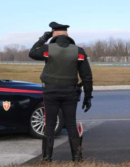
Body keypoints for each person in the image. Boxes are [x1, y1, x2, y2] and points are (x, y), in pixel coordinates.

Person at [29, 22, 93, 162]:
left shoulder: (47, 49)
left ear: (53, 33)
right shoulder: (79, 51)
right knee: (71, 124)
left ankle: (47, 159)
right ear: (67, 34)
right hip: (70, 92)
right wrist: (88, 96)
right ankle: (77, 158)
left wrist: (42, 38)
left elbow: (32, 53)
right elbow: (87, 76)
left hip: (50, 91)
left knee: (50, 124)